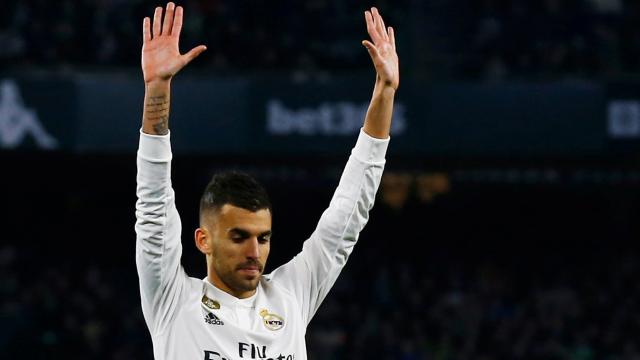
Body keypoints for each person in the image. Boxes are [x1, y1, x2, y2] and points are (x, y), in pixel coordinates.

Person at [135, 2, 399, 359]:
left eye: (263, 238)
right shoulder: (173, 302)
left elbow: (348, 215)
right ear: (203, 240)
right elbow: (153, 206)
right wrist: (157, 88)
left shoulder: (289, 297)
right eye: (239, 237)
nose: (254, 252)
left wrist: (385, 90)